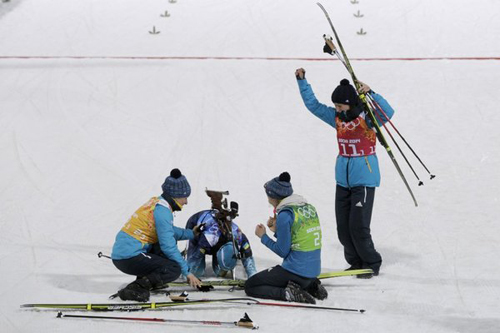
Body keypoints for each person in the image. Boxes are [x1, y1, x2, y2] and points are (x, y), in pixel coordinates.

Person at [295, 65, 395, 278]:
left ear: (349, 104)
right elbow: (313, 106)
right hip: (343, 180)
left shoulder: (366, 119)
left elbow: (388, 112)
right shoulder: (337, 119)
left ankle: (371, 262)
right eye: (336, 106)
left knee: (358, 227)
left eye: (340, 106)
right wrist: (302, 82)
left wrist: (370, 92)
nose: (337, 109)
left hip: (364, 180)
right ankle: (355, 262)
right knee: (343, 229)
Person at [111, 168, 202, 302]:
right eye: (185, 197)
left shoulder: (157, 203)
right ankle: (136, 288)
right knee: (173, 269)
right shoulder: (163, 212)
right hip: (127, 257)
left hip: (128, 252)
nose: (186, 202)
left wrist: (191, 233)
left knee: (163, 247)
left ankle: (148, 280)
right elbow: (168, 246)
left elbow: (168, 231)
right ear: (175, 196)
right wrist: (187, 272)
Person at [244, 172, 327, 304]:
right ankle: (311, 284)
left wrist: (263, 236)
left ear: (273, 196)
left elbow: (282, 251)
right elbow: (299, 237)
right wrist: (277, 230)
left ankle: (288, 293)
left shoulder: (285, 215)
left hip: (296, 271)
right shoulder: (308, 207)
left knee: (251, 285)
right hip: (313, 270)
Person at [185, 206, 257, 279]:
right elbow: (196, 257)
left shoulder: (240, 237)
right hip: (195, 226)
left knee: (220, 273)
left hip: (217, 240)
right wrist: (189, 274)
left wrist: (253, 276)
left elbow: (248, 258)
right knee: (197, 272)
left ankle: (222, 268)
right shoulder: (208, 239)